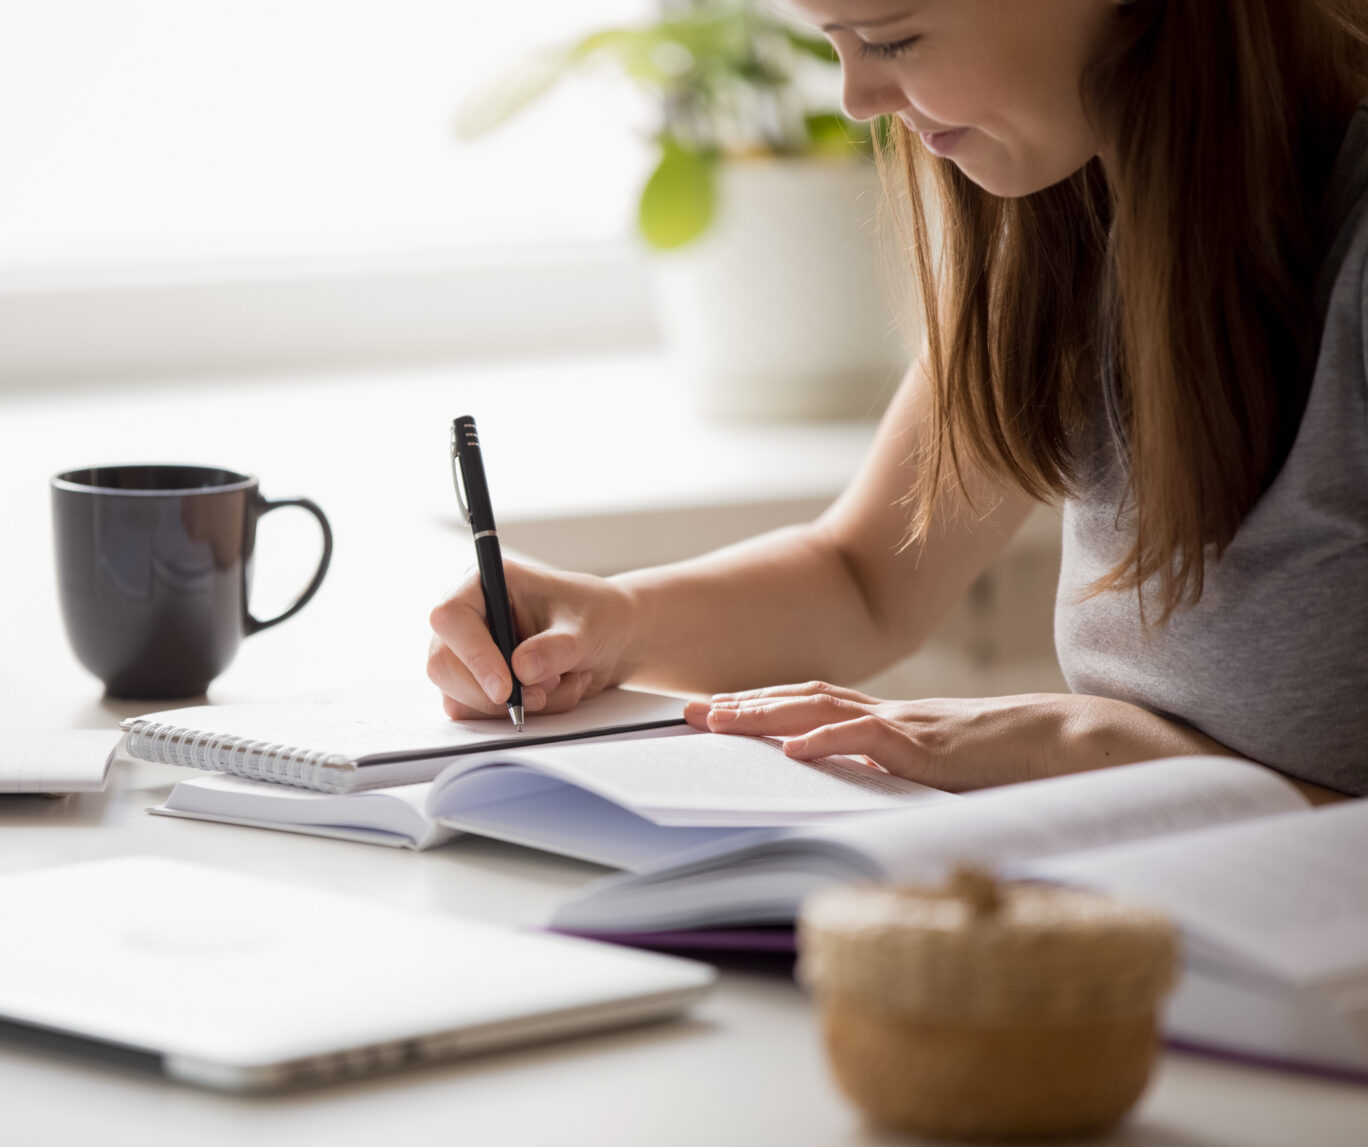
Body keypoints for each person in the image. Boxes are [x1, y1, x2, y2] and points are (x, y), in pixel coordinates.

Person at [427, 0, 1368, 802]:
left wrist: (1079, 744)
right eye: (833, 41)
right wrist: (614, 625)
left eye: (892, 39)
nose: (856, 100)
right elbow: (866, 577)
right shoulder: (1063, 215)